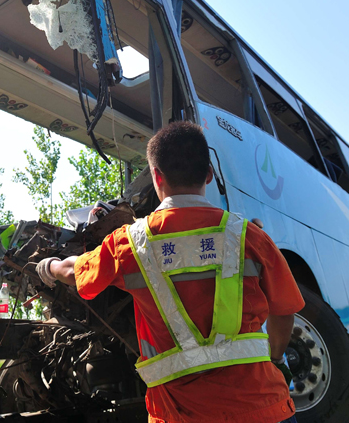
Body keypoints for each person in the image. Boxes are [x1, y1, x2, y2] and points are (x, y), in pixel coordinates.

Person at [36, 121, 304, 423]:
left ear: (156, 176)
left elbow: (74, 271)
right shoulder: (249, 237)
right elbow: (285, 312)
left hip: (179, 414)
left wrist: (48, 267)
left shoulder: (130, 242)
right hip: (263, 407)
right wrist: (277, 357)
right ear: (209, 175)